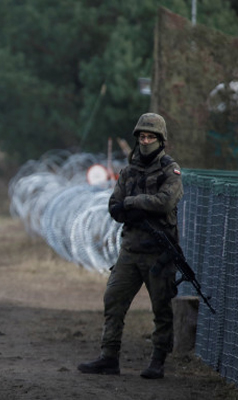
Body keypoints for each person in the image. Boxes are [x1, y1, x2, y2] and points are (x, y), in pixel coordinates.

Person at [77, 112, 184, 379]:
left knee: (162, 309)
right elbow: (114, 206)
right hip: (130, 251)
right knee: (113, 300)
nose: (146, 141)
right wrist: (128, 208)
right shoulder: (128, 172)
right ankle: (108, 357)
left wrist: (134, 203)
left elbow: (165, 202)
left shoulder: (170, 171)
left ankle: (158, 361)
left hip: (159, 254)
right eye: (142, 136)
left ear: (161, 140)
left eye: (151, 137)